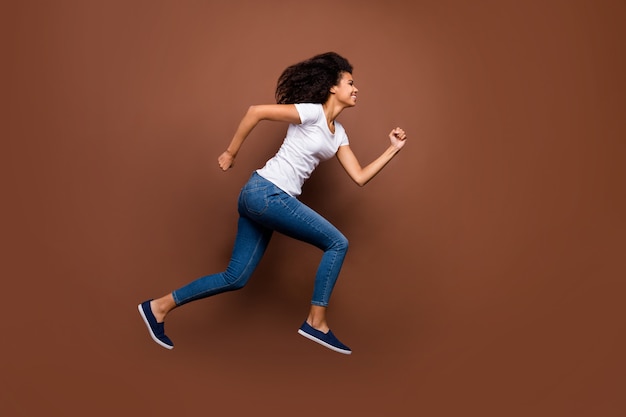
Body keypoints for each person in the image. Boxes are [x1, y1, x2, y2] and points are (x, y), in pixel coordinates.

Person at [138, 52, 407, 355]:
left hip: (264, 199)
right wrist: (231, 152)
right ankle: (316, 322)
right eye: (350, 83)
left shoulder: (339, 134)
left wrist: (392, 150)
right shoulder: (312, 112)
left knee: (235, 277)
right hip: (267, 193)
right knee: (338, 243)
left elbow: (359, 176)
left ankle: (158, 307)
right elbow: (256, 112)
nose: (356, 89)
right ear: (333, 87)